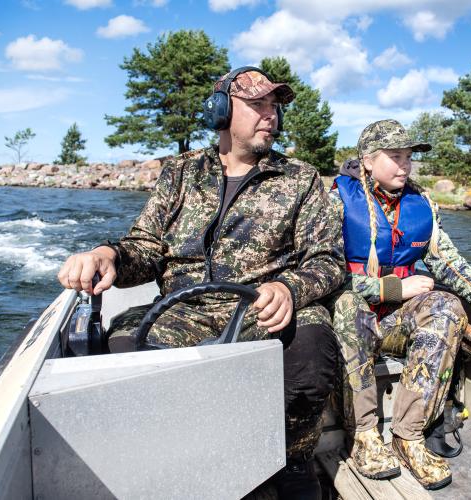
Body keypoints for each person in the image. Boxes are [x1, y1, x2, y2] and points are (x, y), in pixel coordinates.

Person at [56, 67, 344, 499]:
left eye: (275, 107)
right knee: (121, 356)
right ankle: (177, 463)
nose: (271, 116)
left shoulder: (300, 178)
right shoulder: (181, 173)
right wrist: (108, 255)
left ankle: (289, 459)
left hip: (262, 311)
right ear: (222, 110)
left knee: (312, 352)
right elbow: (145, 247)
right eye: (258, 105)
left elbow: (328, 259)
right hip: (181, 310)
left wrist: (288, 289)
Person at [328, 119, 471, 490]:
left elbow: (449, 261)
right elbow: (326, 274)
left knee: (447, 307)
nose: (404, 165)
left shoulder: (422, 205)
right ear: (368, 160)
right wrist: (393, 290)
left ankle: (408, 435)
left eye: (408, 157)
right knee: (345, 304)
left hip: (394, 325)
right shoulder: (336, 200)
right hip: (354, 320)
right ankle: (365, 434)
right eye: (395, 156)